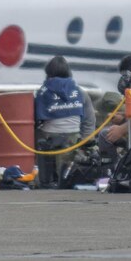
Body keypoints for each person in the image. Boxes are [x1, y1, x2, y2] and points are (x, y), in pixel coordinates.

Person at [33, 56, 87, 188]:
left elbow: (37, 117)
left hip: (51, 136)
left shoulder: (44, 90)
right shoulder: (77, 89)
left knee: (36, 133)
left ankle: (44, 177)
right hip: (73, 135)